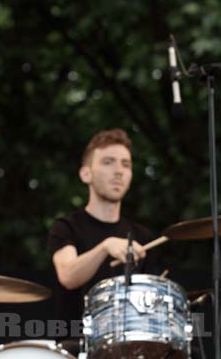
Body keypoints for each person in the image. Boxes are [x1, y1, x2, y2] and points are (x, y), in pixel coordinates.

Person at [48, 128, 156, 342]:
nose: (119, 171)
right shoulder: (66, 227)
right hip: (75, 348)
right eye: (108, 162)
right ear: (85, 173)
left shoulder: (143, 237)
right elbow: (68, 276)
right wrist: (105, 247)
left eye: (126, 164)